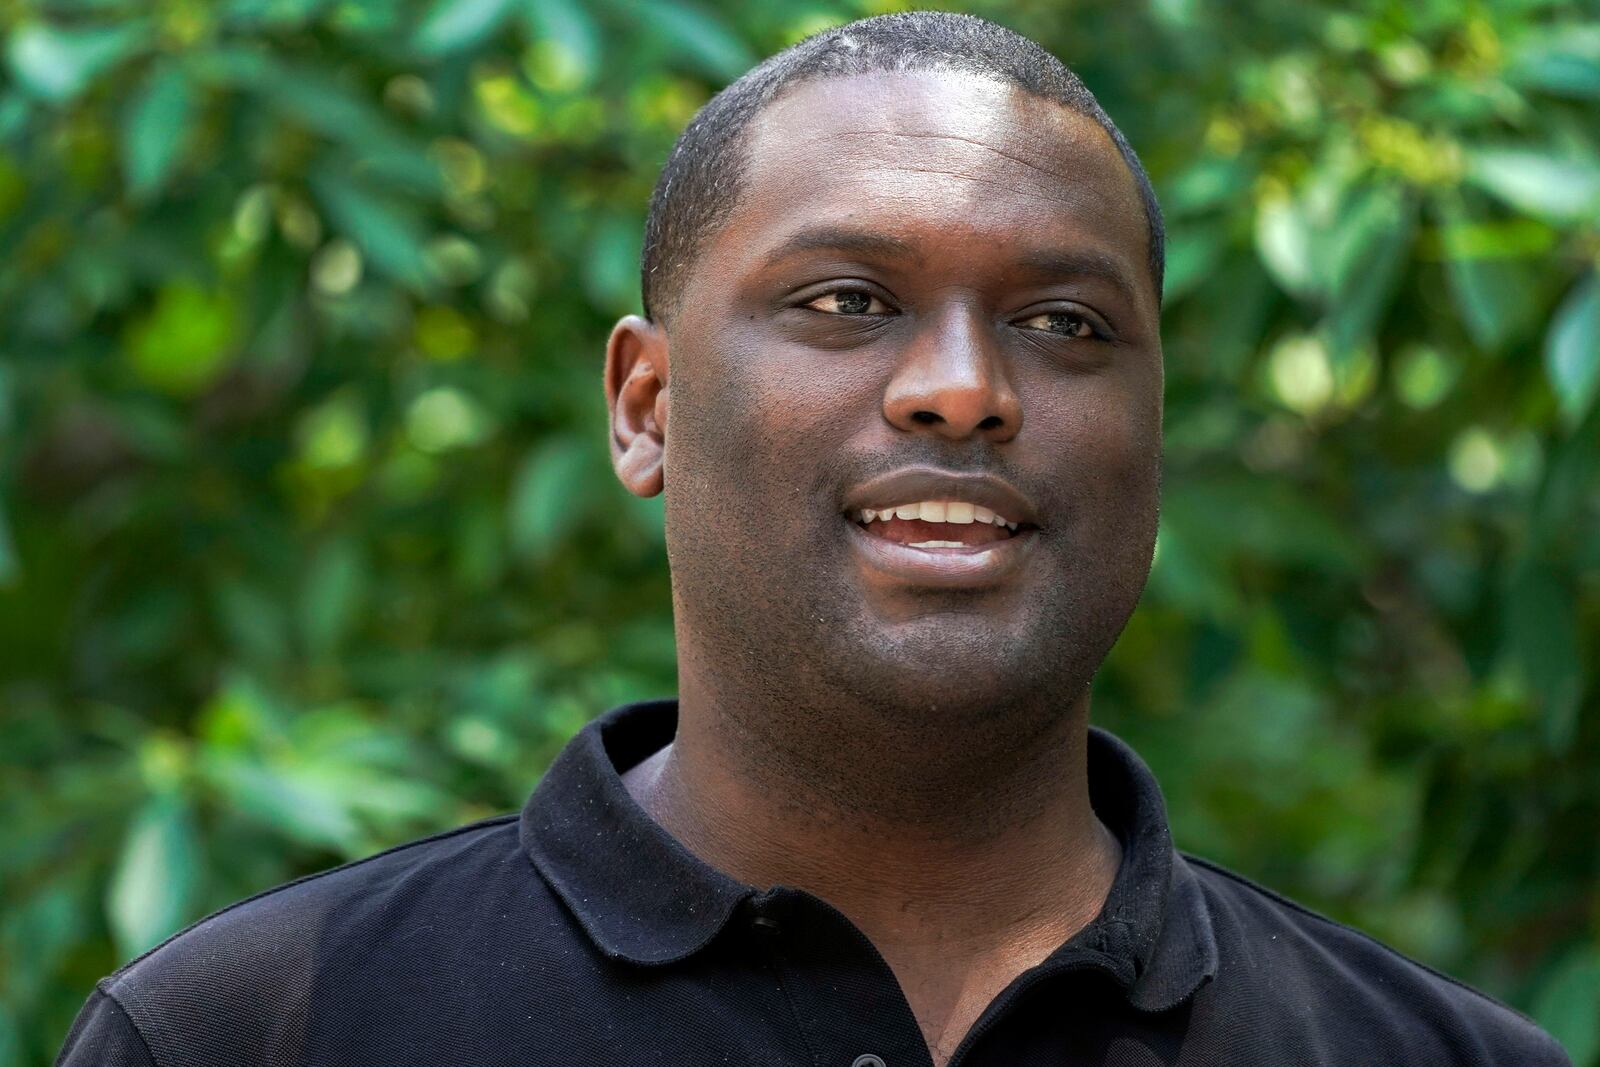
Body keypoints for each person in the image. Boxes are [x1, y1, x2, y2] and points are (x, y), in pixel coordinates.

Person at [56, 12, 1570, 1067]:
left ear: (1157, 428)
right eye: (847, 302)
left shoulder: (1438, 1056)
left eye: (1063, 321)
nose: (965, 390)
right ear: (647, 406)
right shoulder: (254, 1033)